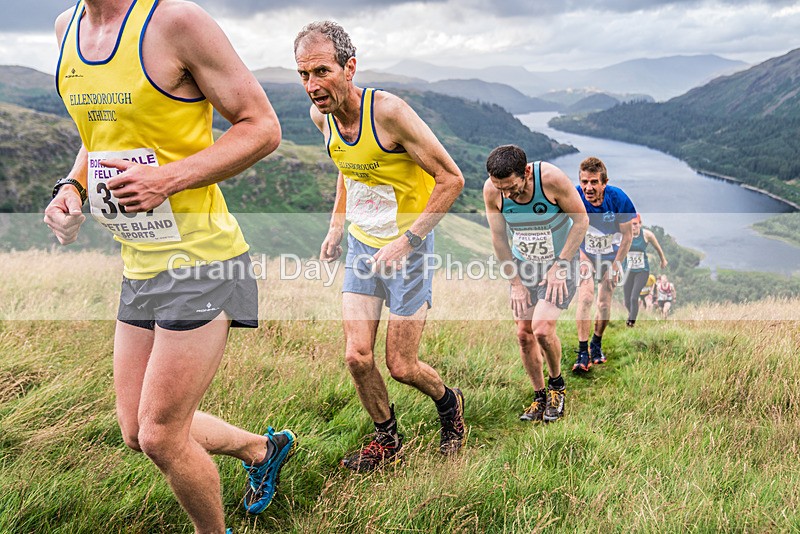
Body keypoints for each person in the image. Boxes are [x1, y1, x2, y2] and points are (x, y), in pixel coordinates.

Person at [44, 1, 295, 531]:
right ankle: (261, 449)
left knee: (160, 436)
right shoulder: (67, 27)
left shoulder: (177, 22)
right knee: (136, 431)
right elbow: (99, 138)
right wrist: (72, 188)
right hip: (139, 261)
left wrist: (168, 179)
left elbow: (262, 127)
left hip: (203, 259)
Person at [294, 21, 466, 472]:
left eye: (322, 72)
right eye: (304, 74)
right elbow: (347, 167)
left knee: (402, 365)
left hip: (410, 251)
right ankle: (387, 440)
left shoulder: (389, 113)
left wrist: (407, 242)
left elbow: (452, 180)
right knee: (357, 357)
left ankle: (449, 403)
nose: (312, 86)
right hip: (361, 248)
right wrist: (336, 226)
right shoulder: (321, 117)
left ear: (349, 67)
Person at [483, 145, 588, 423]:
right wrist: (515, 282)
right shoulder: (493, 190)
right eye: (500, 188)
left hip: (561, 261)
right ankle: (539, 396)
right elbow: (499, 240)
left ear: (527, 172)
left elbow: (581, 221)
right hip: (524, 265)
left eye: (512, 187)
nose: (507, 195)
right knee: (523, 334)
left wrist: (560, 266)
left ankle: (557, 388)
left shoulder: (551, 180)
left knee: (541, 328)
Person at [573, 157, 636, 373]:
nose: (588, 188)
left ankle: (596, 343)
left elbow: (628, 236)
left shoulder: (618, 199)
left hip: (611, 257)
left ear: (604, 182)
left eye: (594, 182)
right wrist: (579, 256)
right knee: (585, 297)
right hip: (586, 254)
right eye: (584, 182)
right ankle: (582, 352)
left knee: (603, 303)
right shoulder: (575, 196)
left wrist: (616, 266)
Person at [623, 215, 667, 327]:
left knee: (634, 297)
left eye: (635, 224)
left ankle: (631, 322)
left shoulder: (647, 235)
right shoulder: (624, 234)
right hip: (628, 271)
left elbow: (657, 247)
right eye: (630, 224)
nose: (633, 227)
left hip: (642, 271)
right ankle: (632, 314)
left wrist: (663, 260)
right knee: (627, 301)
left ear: (640, 224)